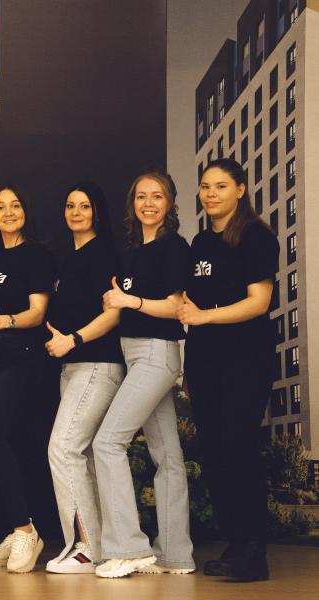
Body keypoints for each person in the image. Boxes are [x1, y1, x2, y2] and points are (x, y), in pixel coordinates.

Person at [178, 158, 278, 582]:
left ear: (240, 190)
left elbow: (259, 302)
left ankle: (254, 551)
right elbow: (189, 303)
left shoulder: (255, 236)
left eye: (220, 186)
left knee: (238, 448)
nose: (210, 194)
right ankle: (236, 544)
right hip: (205, 361)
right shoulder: (200, 243)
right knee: (215, 451)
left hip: (245, 359)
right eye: (205, 186)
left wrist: (205, 317)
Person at [93, 171, 195, 578]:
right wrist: (116, 302)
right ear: (132, 203)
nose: (148, 203)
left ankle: (128, 548)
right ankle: (175, 554)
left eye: (157, 196)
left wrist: (130, 301)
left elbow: (175, 307)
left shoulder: (174, 247)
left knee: (107, 442)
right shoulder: (133, 251)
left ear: (169, 203)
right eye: (141, 197)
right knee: (167, 456)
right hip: (135, 354)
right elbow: (123, 304)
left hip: (156, 353)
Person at [44, 182, 123, 574]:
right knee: (82, 456)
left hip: (97, 364)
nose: (76, 212)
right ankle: (95, 548)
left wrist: (73, 340)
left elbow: (114, 313)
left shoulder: (103, 252)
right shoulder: (69, 258)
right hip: (73, 368)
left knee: (63, 448)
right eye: (70, 205)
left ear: (97, 212)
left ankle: (86, 549)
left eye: (85, 206)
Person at [0, 186, 53, 573]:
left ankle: (26, 530)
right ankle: (19, 527)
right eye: (0, 206)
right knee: (8, 444)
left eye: (16, 205)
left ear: (26, 211)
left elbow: (37, 312)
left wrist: (3, 321)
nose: (8, 212)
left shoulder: (36, 254)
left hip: (24, 359)